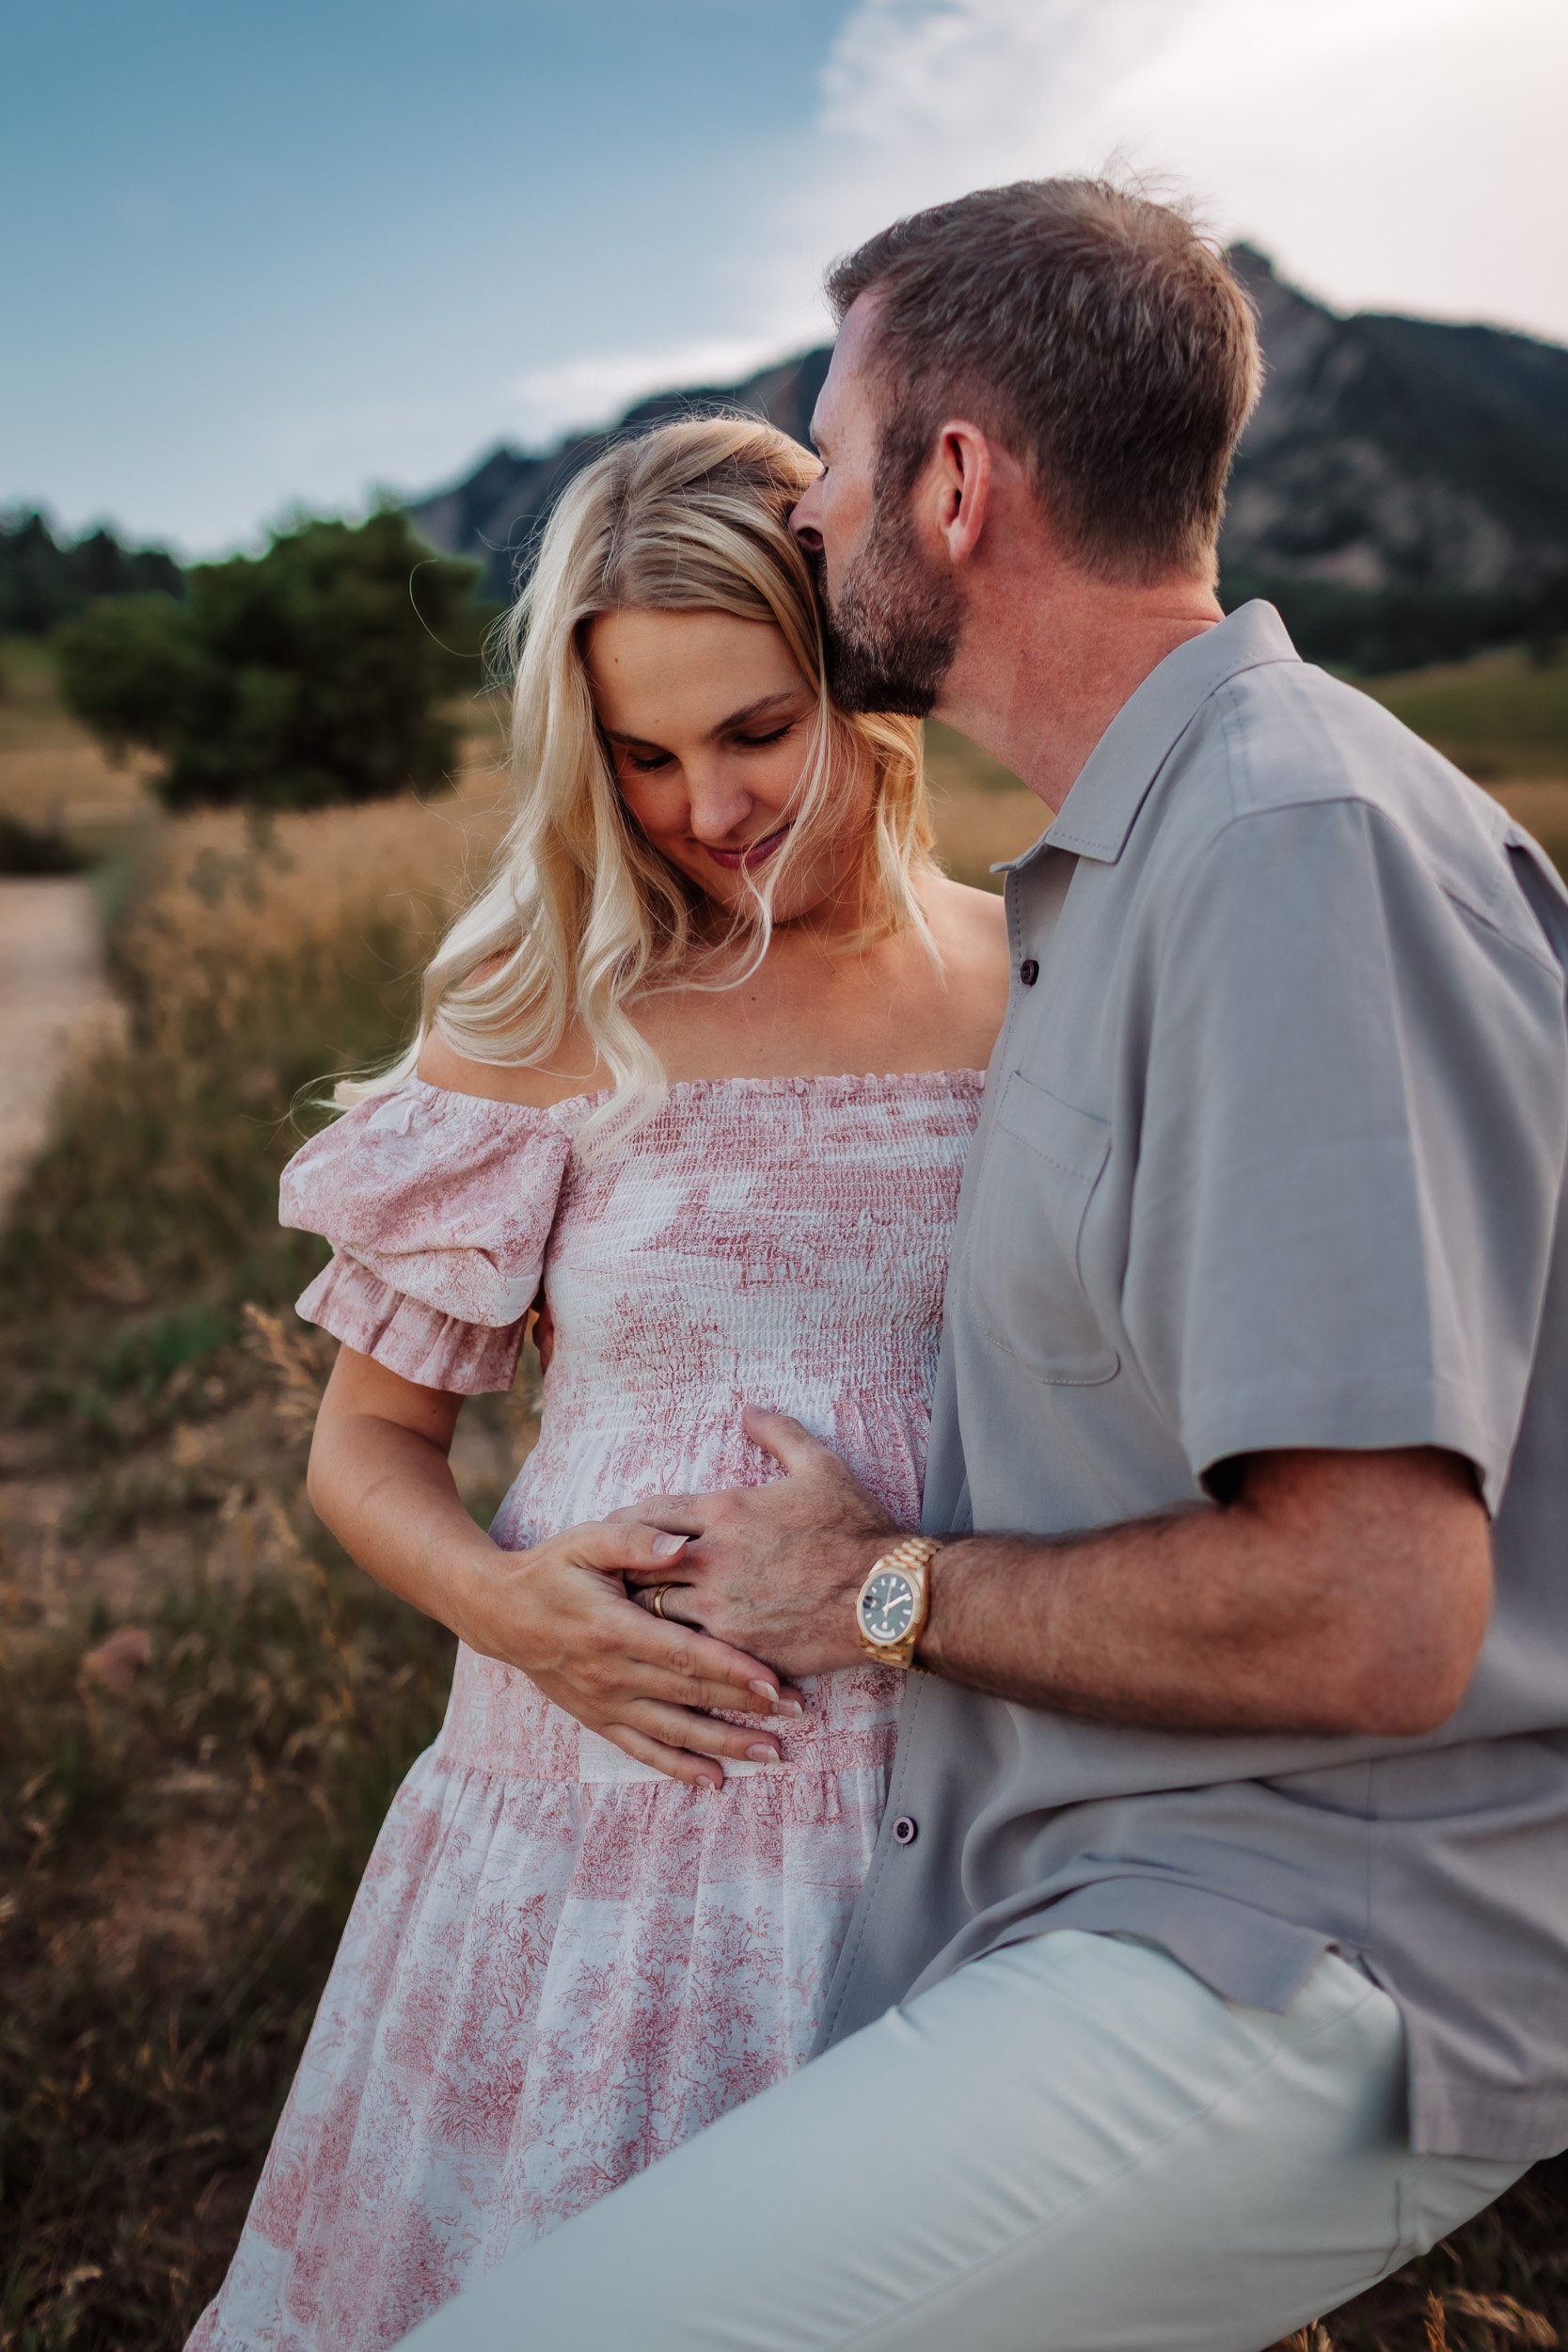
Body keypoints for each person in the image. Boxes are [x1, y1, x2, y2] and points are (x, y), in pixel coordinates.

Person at [396, 180, 1568, 2352]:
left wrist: (873, 1587)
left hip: (1298, 1914)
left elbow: (1382, 1605)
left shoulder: (1284, 846)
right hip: (1092, 1857)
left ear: (952, 485)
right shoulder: (1133, 860)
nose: (808, 512)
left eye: (829, 464)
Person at [185, 416, 1009, 2352]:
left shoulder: (1042, 969)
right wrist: (509, 1605)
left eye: (752, 729)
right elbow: (370, 1444)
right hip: (604, 1796)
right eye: (640, 751)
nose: (699, 802)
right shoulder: (550, 995)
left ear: (866, 681)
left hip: (966, 1781)